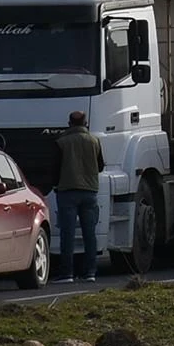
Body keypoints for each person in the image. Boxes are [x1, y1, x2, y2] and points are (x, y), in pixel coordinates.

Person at [51, 111, 104, 283]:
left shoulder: (61, 142)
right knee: (90, 234)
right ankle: (90, 272)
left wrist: (55, 185)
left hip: (67, 191)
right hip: (90, 192)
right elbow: (100, 166)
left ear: (69, 123)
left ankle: (67, 273)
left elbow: (55, 167)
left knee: (68, 234)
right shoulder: (95, 141)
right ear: (85, 123)